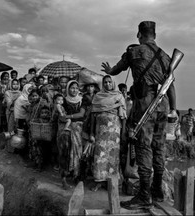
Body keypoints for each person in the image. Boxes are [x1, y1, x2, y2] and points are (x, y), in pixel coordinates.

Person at [101, 21, 177, 209]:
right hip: (163, 105)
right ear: (155, 35)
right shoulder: (165, 56)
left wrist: (110, 71)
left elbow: (116, 70)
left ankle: (145, 195)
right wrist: (174, 109)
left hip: (145, 104)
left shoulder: (134, 52)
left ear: (139, 34)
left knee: (144, 147)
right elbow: (171, 84)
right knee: (159, 146)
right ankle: (157, 190)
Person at [89, 75, 127, 191]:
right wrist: (91, 133)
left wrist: (123, 132)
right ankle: (99, 181)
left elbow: (123, 116)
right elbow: (93, 116)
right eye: (105, 82)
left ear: (113, 83)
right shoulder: (98, 96)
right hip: (100, 131)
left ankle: (111, 182)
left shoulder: (119, 96)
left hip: (114, 132)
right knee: (99, 155)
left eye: (110, 82)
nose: (107, 84)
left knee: (112, 157)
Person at [56, 80, 85, 189]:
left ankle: (75, 176)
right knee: (65, 152)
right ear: (68, 88)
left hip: (78, 129)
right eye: (72, 88)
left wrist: (70, 117)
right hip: (65, 128)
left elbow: (82, 115)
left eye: (76, 88)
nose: (74, 90)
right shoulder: (63, 100)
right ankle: (63, 179)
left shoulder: (82, 100)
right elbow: (61, 115)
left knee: (78, 153)